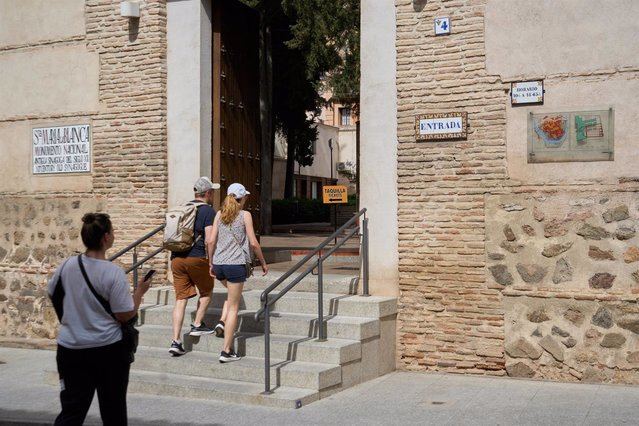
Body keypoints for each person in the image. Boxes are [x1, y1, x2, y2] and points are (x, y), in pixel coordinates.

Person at [47, 213, 152, 426]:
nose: (114, 235)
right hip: (108, 351)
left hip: (70, 348)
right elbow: (125, 314)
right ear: (106, 237)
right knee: (113, 411)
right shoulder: (113, 273)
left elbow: (52, 292)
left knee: (71, 412)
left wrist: (69, 319)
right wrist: (140, 292)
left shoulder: (67, 265)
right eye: (112, 232)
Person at [209, 183, 268, 363]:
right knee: (235, 306)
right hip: (235, 265)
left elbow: (211, 241)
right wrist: (263, 262)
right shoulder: (244, 215)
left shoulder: (219, 214)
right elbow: (253, 243)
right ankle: (226, 350)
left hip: (219, 264)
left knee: (231, 296)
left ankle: (221, 321)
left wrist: (211, 262)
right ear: (242, 198)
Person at [168, 176, 219, 356]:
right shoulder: (208, 212)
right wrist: (211, 261)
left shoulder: (183, 207)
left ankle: (176, 341)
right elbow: (209, 240)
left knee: (180, 300)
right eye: (212, 192)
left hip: (176, 258)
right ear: (208, 193)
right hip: (197, 258)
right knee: (206, 291)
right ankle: (197, 324)